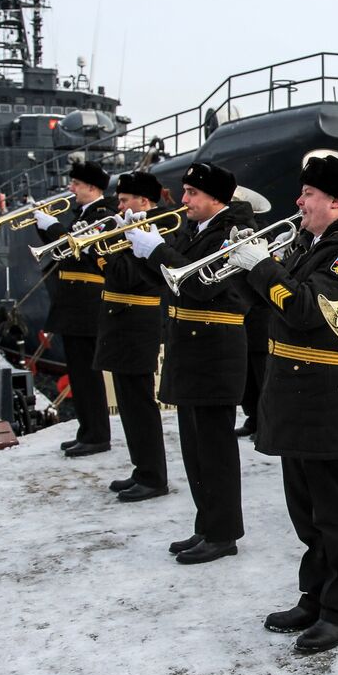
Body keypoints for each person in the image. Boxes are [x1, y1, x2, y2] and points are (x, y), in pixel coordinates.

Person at [229, 153, 338, 653]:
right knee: (304, 507)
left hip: (323, 390)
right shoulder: (312, 242)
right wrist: (243, 267)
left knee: (333, 510)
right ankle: (314, 595)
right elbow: (269, 303)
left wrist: (265, 268)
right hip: (293, 387)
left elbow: (301, 309)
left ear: (335, 202)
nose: (298, 202)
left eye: (308, 195)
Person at [126, 161, 251, 565]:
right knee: (194, 446)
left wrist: (157, 249)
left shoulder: (231, 233)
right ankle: (206, 524)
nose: (184, 201)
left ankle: (223, 532)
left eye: (192, 193)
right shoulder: (193, 229)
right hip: (190, 347)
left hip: (215, 347)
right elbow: (167, 283)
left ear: (216, 198)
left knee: (214, 448)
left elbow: (199, 285)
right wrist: (141, 250)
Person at [95, 171, 168, 501]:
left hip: (137, 321)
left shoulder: (155, 229)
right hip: (121, 321)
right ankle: (142, 469)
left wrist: (103, 253)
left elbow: (127, 275)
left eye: (125, 199)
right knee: (128, 401)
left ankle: (153, 476)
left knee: (139, 403)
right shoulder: (129, 228)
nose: (119, 205)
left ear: (144, 201)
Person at [34, 160, 114, 457]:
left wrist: (53, 228)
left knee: (88, 375)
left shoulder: (102, 215)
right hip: (73, 303)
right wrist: (45, 229)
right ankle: (86, 431)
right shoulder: (83, 214)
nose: (71, 188)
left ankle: (97, 435)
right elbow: (62, 254)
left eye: (77, 184)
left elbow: (82, 254)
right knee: (79, 374)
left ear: (92, 188)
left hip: (87, 304)